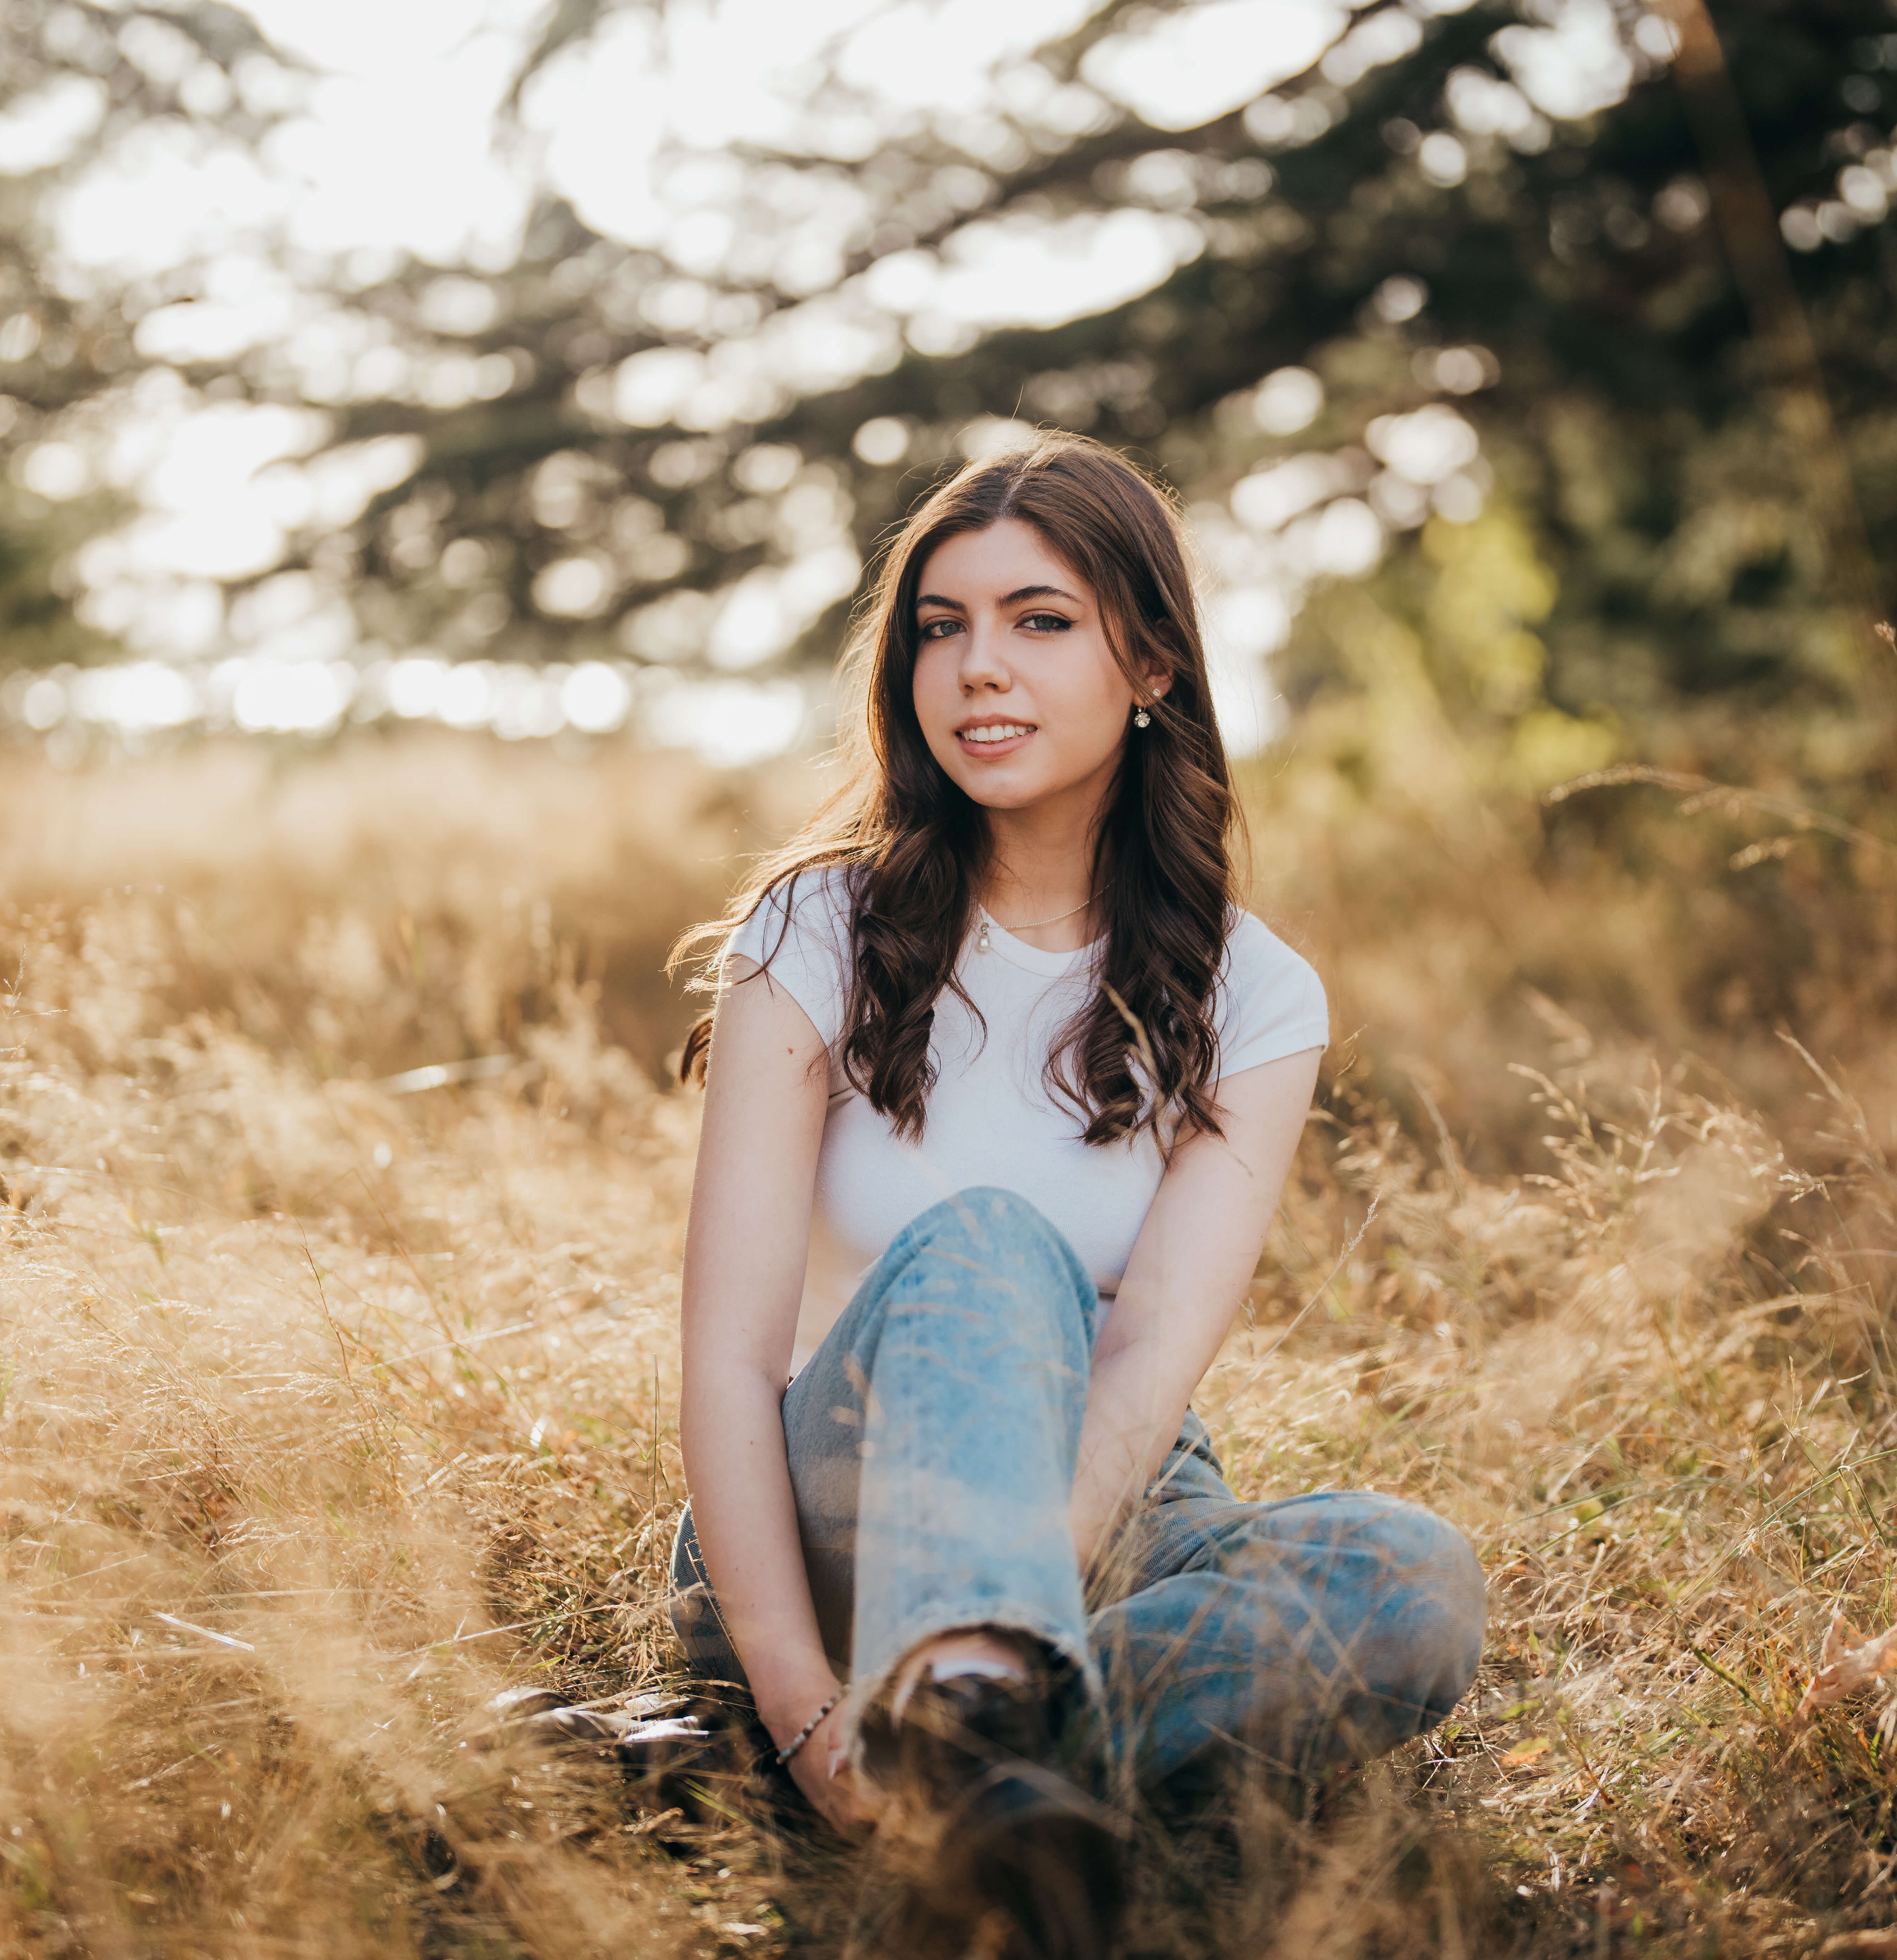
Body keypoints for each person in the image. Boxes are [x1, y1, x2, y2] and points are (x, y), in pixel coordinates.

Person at [667, 431, 1484, 1956]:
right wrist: (786, 1695)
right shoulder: (815, 929)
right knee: (990, 1242)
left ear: (1151, 662)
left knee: (1409, 1579)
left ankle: (962, 1765)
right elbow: (726, 1353)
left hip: (1108, 1487)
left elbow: (1148, 1354)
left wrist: (1016, 1592)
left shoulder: (1255, 995)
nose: (978, 667)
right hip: (835, 1495)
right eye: (941, 625)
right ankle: (886, 1739)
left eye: (1038, 621)